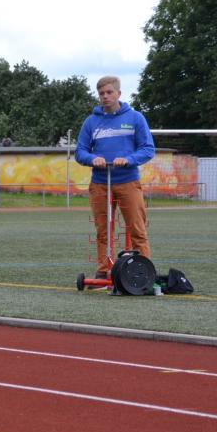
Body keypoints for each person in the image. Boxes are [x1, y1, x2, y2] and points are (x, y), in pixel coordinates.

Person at [75, 75, 155, 283]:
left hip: (128, 181)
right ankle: (103, 271)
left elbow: (147, 149)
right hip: (100, 183)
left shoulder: (135, 118)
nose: (105, 96)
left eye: (109, 92)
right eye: (101, 93)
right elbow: (80, 152)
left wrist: (128, 160)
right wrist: (93, 159)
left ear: (119, 93)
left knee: (137, 228)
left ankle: (143, 271)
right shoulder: (91, 122)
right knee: (103, 230)